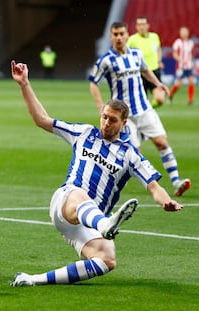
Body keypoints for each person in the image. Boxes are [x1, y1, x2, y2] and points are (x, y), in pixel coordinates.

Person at [9, 60, 183, 286]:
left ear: (123, 123)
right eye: (104, 116)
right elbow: (41, 119)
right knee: (81, 195)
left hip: (87, 224)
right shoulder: (84, 133)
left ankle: (31, 280)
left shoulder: (130, 154)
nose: (106, 123)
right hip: (66, 202)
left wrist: (166, 201)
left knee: (107, 259)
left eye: (112, 120)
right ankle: (104, 225)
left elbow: (153, 186)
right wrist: (24, 84)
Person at [89, 22, 191, 197]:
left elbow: (146, 71)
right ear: (111, 36)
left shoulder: (136, 54)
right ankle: (123, 186)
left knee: (161, 142)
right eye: (115, 34)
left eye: (122, 33)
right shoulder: (106, 60)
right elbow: (93, 83)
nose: (119, 37)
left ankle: (176, 182)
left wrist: (159, 84)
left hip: (144, 109)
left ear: (128, 35)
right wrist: (100, 106)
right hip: (124, 116)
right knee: (134, 155)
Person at [128, 16, 166, 108]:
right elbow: (125, 53)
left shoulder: (154, 36)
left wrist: (159, 60)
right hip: (140, 74)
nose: (141, 27)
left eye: (143, 24)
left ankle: (150, 109)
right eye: (139, 24)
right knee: (141, 102)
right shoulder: (132, 39)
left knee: (160, 99)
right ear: (136, 27)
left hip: (154, 71)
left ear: (148, 25)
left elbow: (158, 49)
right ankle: (147, 111)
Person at [169, 26, 196, 105]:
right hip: (180, 67)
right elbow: (174, 54)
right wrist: (180, 60)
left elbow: (191, 54)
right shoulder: (177, 42)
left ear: (188, 33)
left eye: (185, 31)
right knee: (179, 84)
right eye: (182, 32)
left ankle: (190, 100)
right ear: (180, 33)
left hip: (189, 66)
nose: (184, 33)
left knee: (191, 81)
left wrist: (191, 63)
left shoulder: (190, 43)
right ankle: (171, 95)